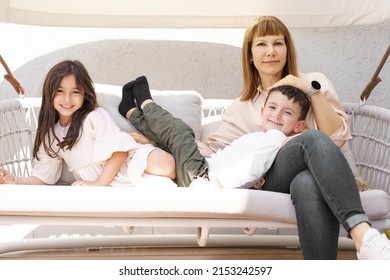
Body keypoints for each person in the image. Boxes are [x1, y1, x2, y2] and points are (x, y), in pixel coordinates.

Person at [124, 16, 390, 260]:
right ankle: (363, 235)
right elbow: (209, 150)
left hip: (317, 176)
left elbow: (338, 136)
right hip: (272, 179)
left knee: (307, 179)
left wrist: (309, 91)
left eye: (278, 43)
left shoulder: (313, 82)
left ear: (287, 49)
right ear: (250, 55)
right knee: (313, 139)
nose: (271, 51)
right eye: (261, 44)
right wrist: (156, 143)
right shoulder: (242, 107)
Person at [0, 60, 176, 188]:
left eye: (75, 92)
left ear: (84, 94)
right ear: (50, 94)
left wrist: (99, 183)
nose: (67, 99)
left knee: (167, 166)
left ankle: (191, 151)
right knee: (164, 185)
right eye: (60, 91)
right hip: (114, 183)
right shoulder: (52, 137)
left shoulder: (94, 117)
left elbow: (120, 152)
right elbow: (43, 178)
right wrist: (17, 181)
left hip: (126, 163)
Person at [119, 77, 309, 189]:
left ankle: (145, 103)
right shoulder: (258, 136)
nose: (277, 115)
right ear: (262, 112)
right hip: (203, 170)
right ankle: (131, 111)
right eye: (273, 107)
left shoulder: (276, 137)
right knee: (168, 144)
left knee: (181, 133)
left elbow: (253, 168)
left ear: (299, 126)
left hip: (203, 178)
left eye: (287, 112)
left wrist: (216, 184)